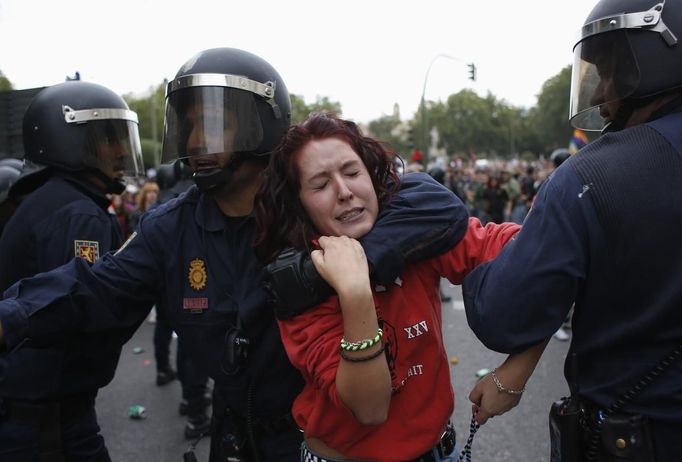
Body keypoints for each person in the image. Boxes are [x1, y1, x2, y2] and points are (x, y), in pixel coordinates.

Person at [0, 47, 474, 462]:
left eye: (211, 125)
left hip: (319, 441)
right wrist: (13, 316)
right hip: (234, 437)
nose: (193, 144)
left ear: (260, 123)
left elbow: (433, 204)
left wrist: (351, 263)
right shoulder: (170, 229)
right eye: (186, 128)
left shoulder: (317, 204)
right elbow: (96, 287)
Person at [253, 112, 544, 461]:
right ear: (299, 202)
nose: (344, 192)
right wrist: (355, 292)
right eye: (320, 184)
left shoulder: (415, 235)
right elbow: (370, 408)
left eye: (351, 172)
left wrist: (516, 373)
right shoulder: (299, 283)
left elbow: (544, 259)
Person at [463, 0, 682, 460]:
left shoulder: (590, 176)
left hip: (639, 436)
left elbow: (503, 315)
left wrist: (477, 261)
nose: (601, 90)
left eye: (610, 70)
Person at [0, 81, 145, 462]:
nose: (119, 149)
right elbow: (80, 306)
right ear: (67, 141)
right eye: (107, 138)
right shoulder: (78, 214)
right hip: (47, 420)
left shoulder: (51, 200)